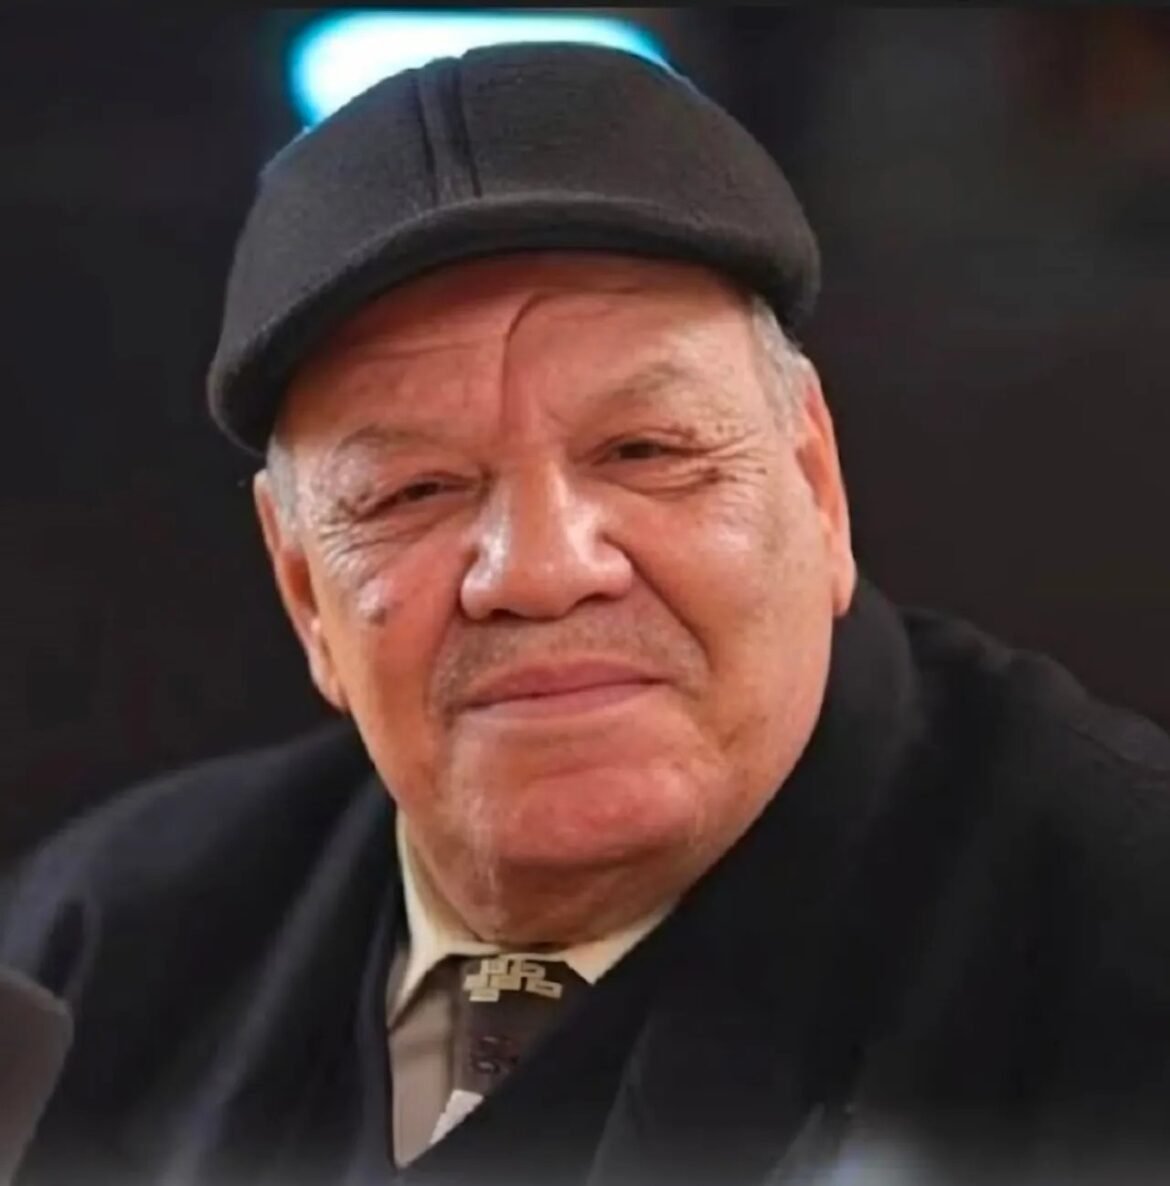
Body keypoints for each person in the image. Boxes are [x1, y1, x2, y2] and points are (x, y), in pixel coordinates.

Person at [3, 42, 1170, 1186]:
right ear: (305, 588)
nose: (542, 568)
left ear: (816, 486)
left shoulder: (1115, 940)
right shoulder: (105, 945)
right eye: (414, 491)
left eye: (645, 450)